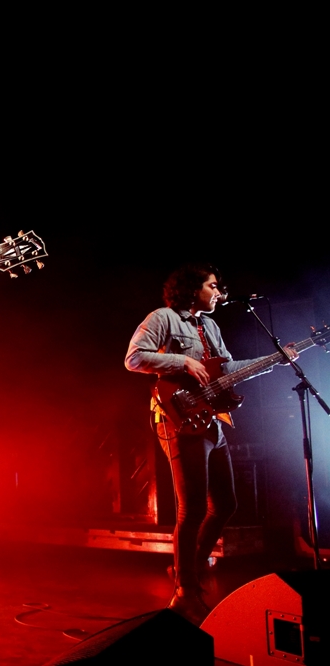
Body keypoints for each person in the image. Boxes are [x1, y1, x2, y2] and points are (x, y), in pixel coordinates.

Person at [124, 264, 296, 624]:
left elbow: (227, 369)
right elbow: (134, 358)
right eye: (213, 285)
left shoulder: (211, 326)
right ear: (192, 288)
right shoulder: (163, 318)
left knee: (226, 504)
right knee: (192, 510)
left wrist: (275, 360)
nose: (219, 292)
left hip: (210, 420)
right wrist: (183, 360)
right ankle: (185, 592)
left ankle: (189, 567)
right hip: (177, 418)